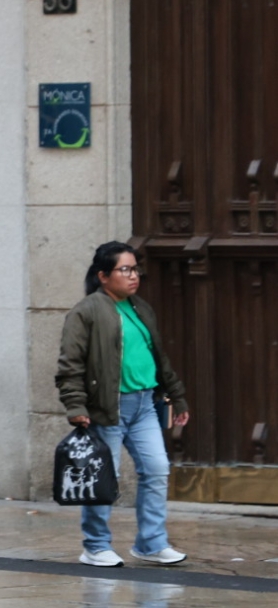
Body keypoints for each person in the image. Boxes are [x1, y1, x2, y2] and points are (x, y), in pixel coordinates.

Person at [56, 242, 190, 567]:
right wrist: (77, 407)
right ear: (103, 276)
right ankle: (95, 546)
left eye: (135, 269)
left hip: (145, 404)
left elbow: (159, 359)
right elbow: (69, 365)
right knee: (103, 479)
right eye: (125, 270)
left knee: (157, 469)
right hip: (108, 408)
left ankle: (151, 543)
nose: (133, 276)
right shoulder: (86, 312)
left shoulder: (140, 308)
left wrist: (178, 395)